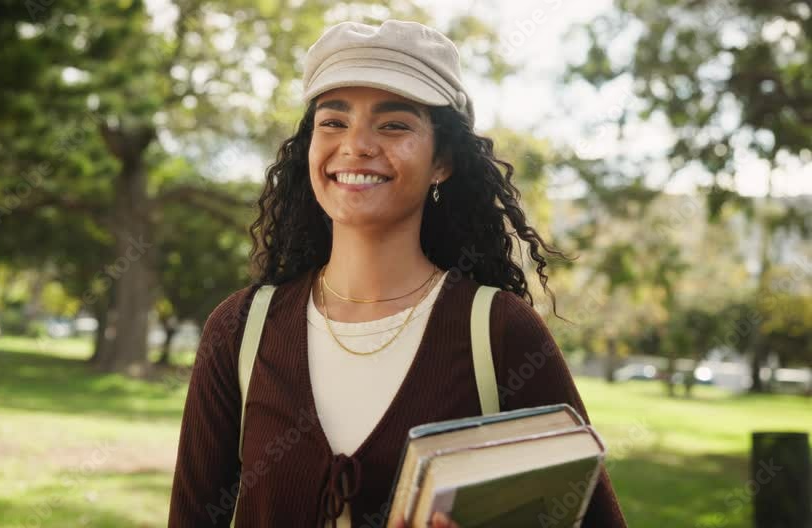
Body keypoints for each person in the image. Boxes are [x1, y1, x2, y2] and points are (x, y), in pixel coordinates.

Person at [168, 19, 627, 528]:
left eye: (393, 125)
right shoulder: (240, 330)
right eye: (333, 121)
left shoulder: (499, 333)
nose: (357, 145)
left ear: (443, 161)